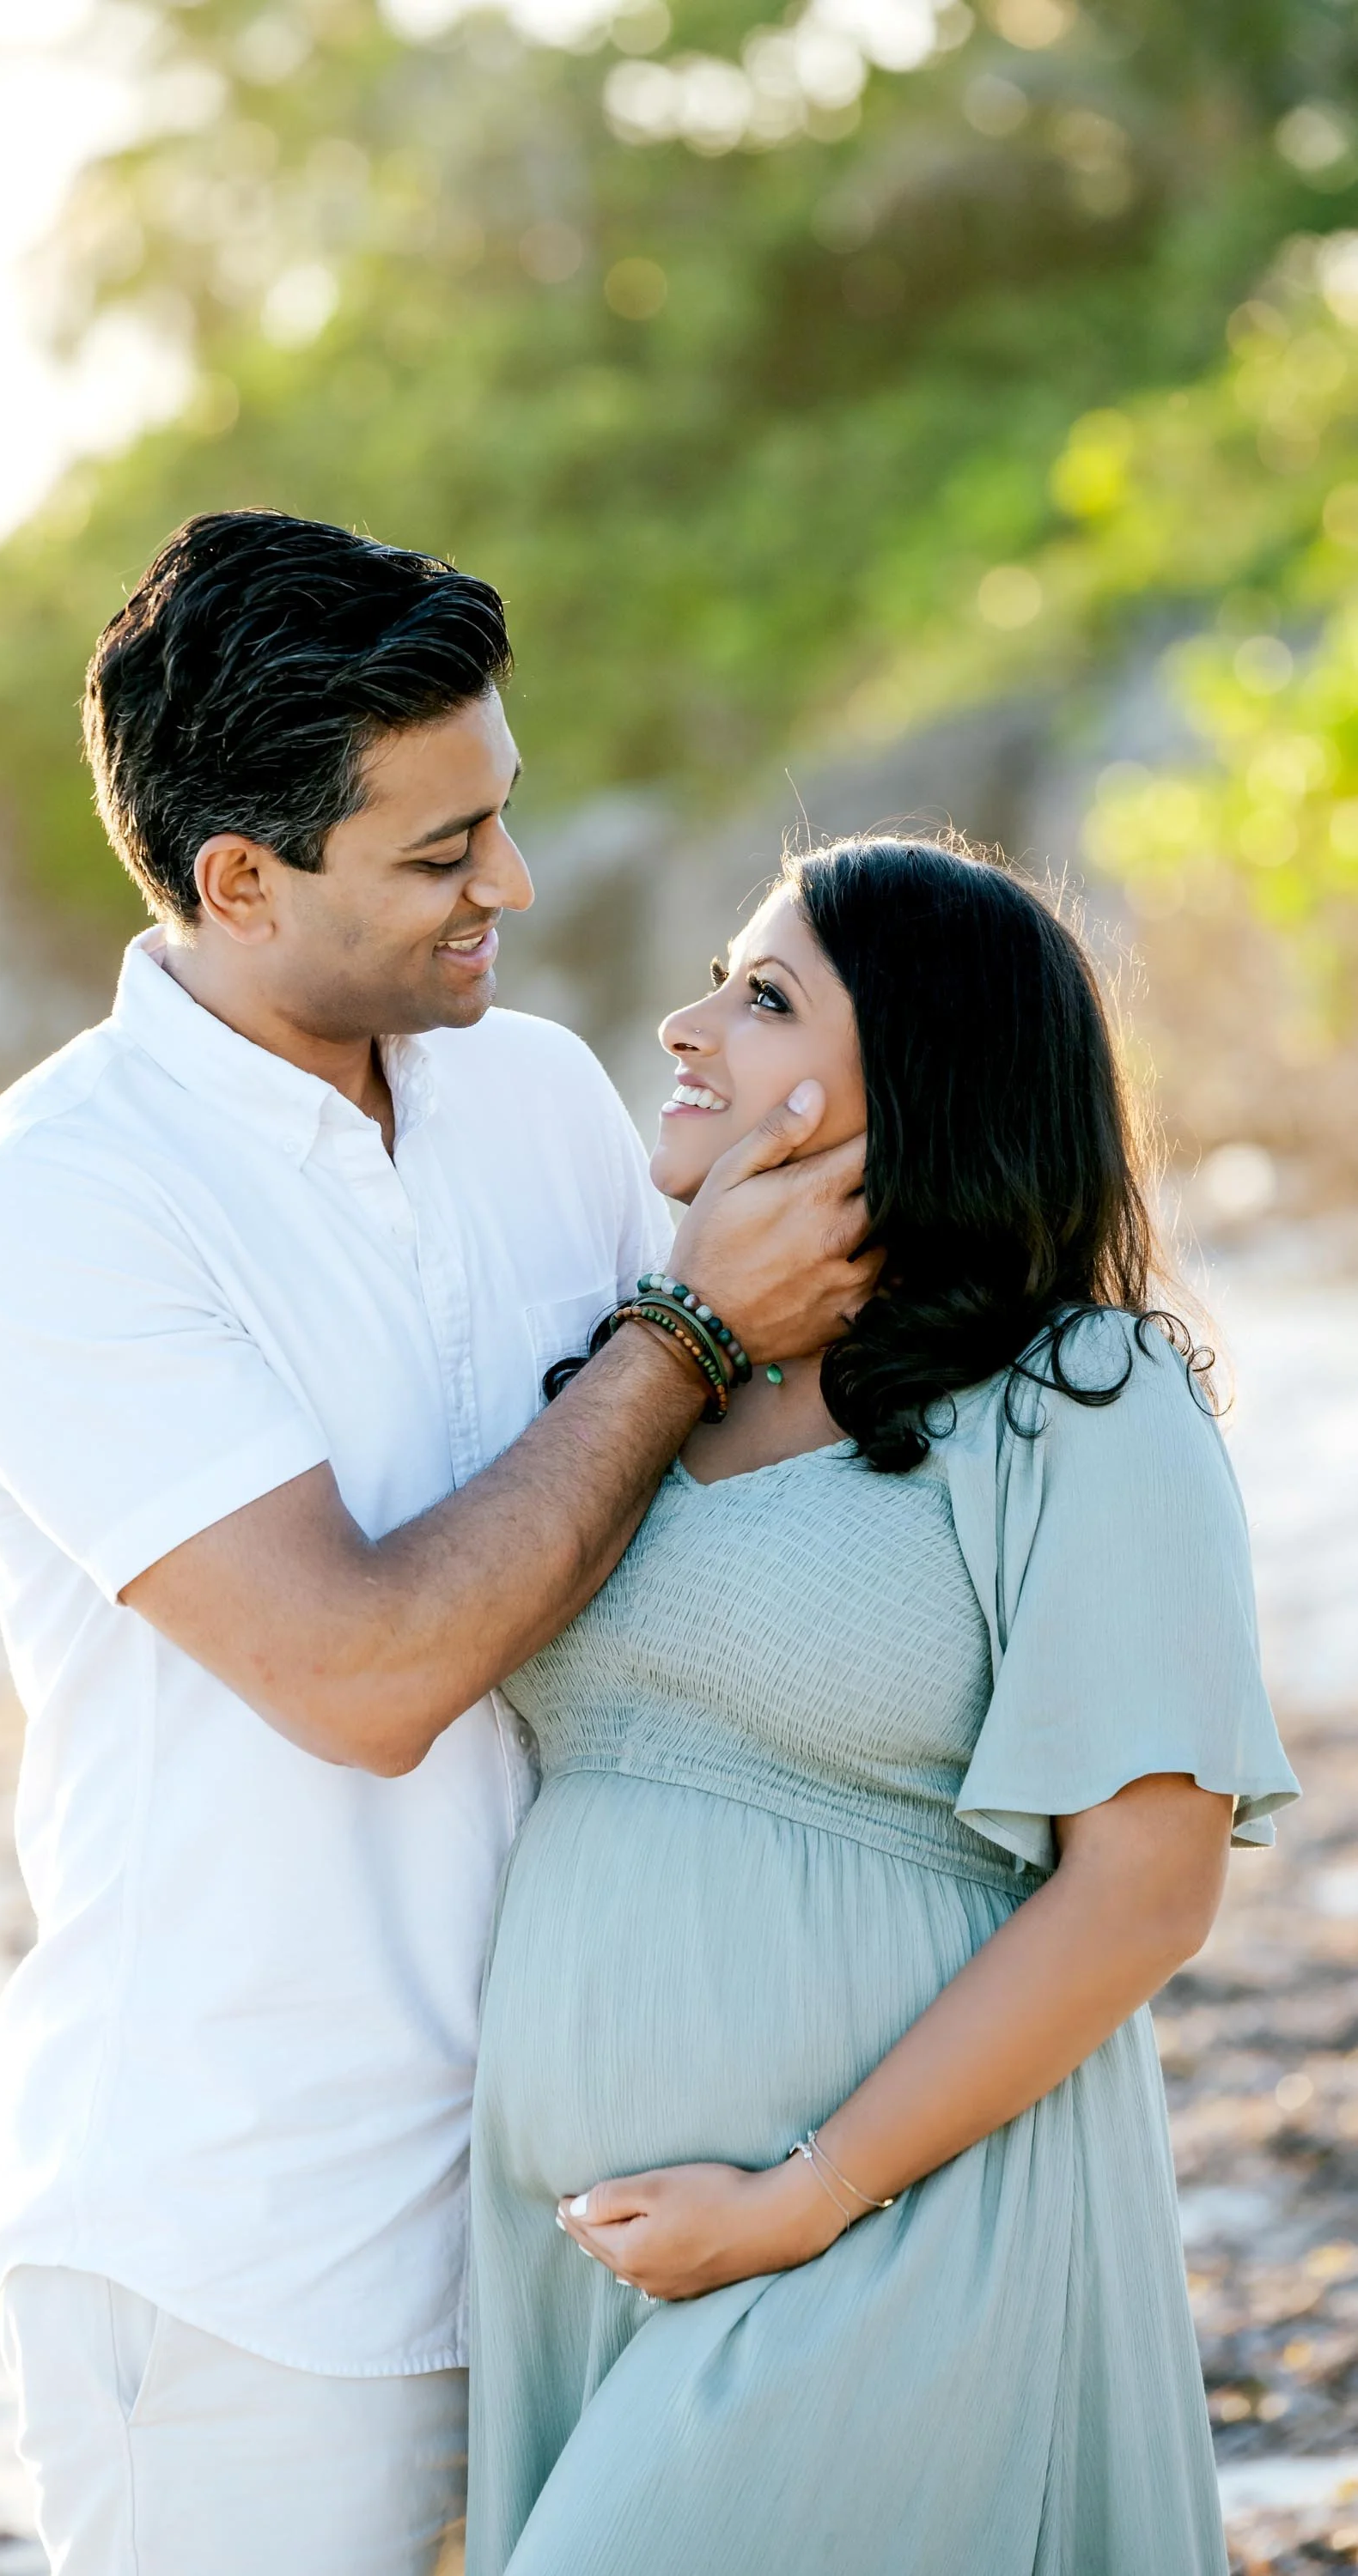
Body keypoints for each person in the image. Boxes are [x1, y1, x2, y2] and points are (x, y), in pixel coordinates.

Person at [0, 510, 876, 2576]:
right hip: (246, 2245)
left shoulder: (529, 1095)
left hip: (592, 2185)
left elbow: (714, 1502)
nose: (506, 886)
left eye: (498, 818)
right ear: (237, 879)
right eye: (439, 856)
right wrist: (683, 1324)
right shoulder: (44, 1209)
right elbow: (360, 1673)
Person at [466, 835, 1301, 2576]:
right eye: (714, 977)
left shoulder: (1080, 1397)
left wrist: (802, 2197)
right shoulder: (638, 1372)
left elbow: (1145, 1887)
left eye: (763, 997)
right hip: (588, 2257)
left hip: (902, 2227)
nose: (686, 1026)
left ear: (923, 1073)